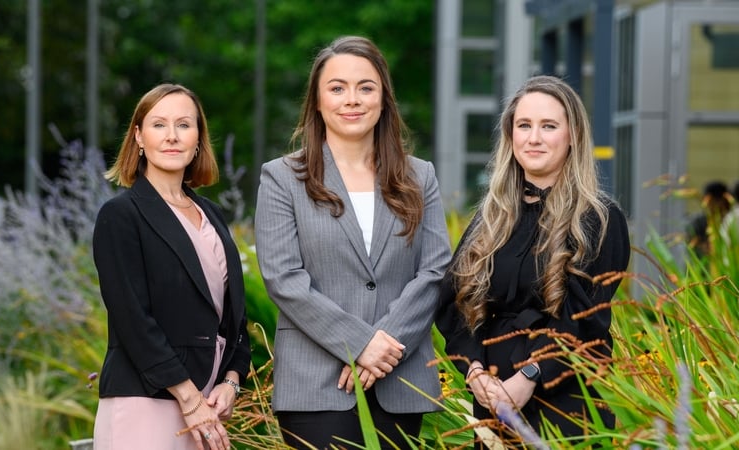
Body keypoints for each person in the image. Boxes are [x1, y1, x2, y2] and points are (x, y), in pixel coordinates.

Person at [254, 36, 451, 449]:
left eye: (366, 87)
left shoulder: (420, 177)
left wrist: (384, 347)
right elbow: (284, 279)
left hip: (399, 382)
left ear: (383, 99)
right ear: (318, 100)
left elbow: (435, 272)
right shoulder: (282, 178)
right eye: (337, 87)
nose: (352, 99)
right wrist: (359, 344)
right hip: (316, 386)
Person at [436, 75, 630, 442]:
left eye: (549, 126)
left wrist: (530, 375)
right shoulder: (491, 217)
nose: (534, 138)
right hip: (492, 395)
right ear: (510, 136)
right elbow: (453, 301)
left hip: (564, 396)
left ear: (573, 136)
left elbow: (585, 317)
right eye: (524, 125)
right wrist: (473, 371)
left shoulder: (599, 218)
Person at [92, 83, 251, 450]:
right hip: (146, 400)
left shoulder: (212, 215)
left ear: (198, 138)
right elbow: (132, 319)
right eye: (159, 124)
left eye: (184, 124)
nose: (172, 136)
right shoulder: (120, 215)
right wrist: (189, 398)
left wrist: (231, 380)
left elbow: (234, 315)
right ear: (139, 137)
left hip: (208, 403)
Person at [685, 180, 730, 257]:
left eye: (719, 200)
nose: (717, 205)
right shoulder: (698, 222)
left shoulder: (731, 219)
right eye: (714, 201)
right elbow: (693, 245)